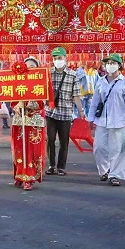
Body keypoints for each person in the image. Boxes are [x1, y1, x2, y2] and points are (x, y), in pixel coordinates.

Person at [87, 54, 125, 187]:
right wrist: (91, 118)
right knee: (99, 147)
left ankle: (115, 175)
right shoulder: (101, 81)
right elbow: (95, 101)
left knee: (117, 149)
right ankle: (104, 170)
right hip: (102, 120)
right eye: (108, 63)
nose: (110, 65)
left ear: (119, 65)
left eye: (113, 62)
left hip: (119, 120)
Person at [45, 47, 85, 176]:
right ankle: (51, 165)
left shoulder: (73, 75)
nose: (58, 60)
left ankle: (61, 166)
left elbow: (76, 95)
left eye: (60, 58)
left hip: (66, 113)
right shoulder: (48, 74)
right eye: (55, 58)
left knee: (64, 141)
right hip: (51, 112)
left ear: (65, 58)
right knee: (50, 139)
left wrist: (81, 111)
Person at [11, 58, 46, 191]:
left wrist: (30, 103)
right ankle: (19, 176)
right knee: (19, 149)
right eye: (27, 66)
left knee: (33, 151)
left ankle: (30, 177)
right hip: (20, 121)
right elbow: (11, 99)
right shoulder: (16, 83)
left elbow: (41, 103)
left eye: (32, 66)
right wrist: (16, 105)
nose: (29, 69)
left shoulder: (41, 83)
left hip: (34, 121)